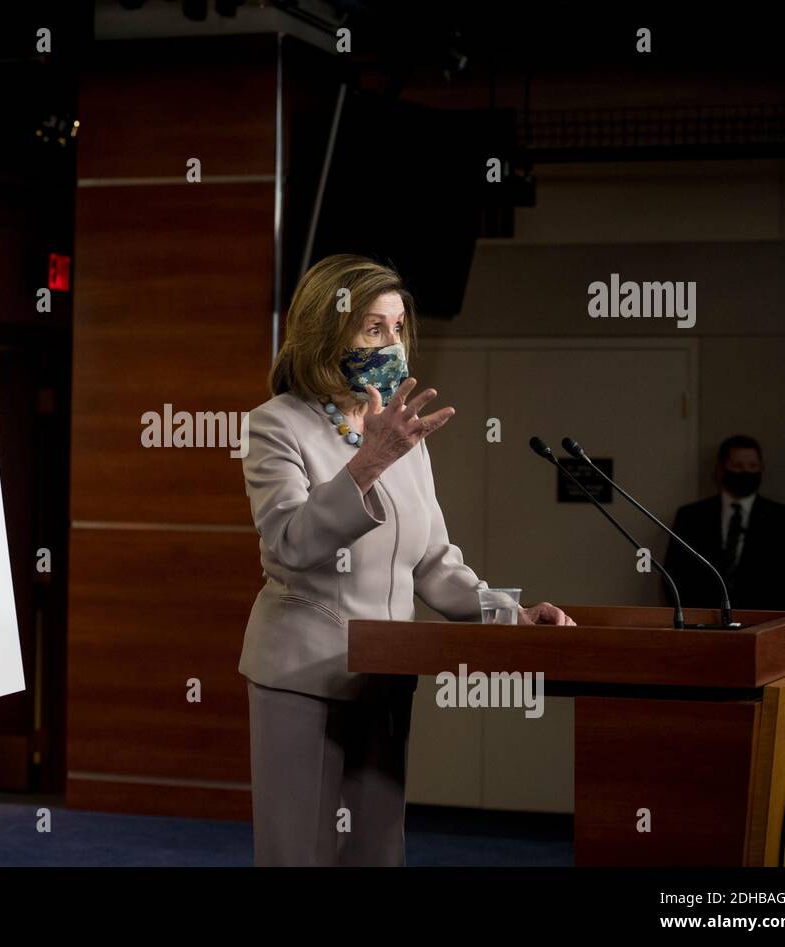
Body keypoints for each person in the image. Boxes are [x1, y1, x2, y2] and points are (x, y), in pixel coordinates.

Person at [239, 253, 575, 867]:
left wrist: (510, 615)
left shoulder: (400, 432)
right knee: (300, 855)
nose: (391, 344)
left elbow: (433, 561)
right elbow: (289, 542)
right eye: (373, 328)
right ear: (325, 331)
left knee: (378, 855)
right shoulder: (276, 426)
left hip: (385, 676)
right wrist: (368, 461)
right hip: (302, 675)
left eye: (397, 329)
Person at [664, 435, 785, 611]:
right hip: (702, 623)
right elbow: (674, 573)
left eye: (752, 466)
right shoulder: (691, 516)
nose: (745, 472)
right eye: (737, 466)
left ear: (761, 469)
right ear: (721, 469)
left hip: (763, 624)